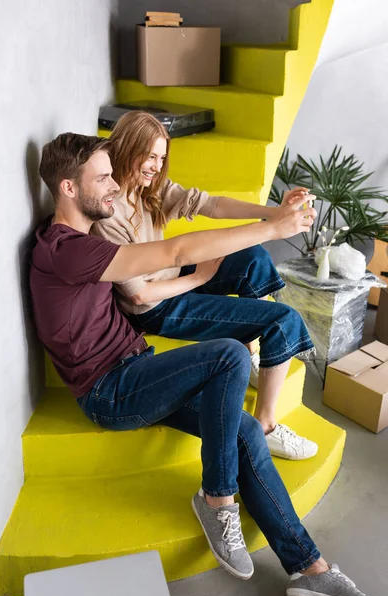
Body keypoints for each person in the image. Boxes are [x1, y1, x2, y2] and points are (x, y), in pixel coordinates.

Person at [29, 132, 370, 596]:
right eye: (104, 178)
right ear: (68, 188)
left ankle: (309, 568)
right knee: (229, 353)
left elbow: (177, 242)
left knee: (247, 431)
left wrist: (267, 219)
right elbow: (174, 253)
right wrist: (273, 228)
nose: (114, 187)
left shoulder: (75, 235)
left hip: (137, 368)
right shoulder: (67, 250)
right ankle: (216, 499)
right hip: (108, 392)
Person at [92, 111, 318, 461]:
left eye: (161, 157)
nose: (156, 166)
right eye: (149, 156)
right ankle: (266, 426)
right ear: (125, 148)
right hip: (157, 306)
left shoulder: (148, 189)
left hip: (173, 277)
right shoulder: (108, 212)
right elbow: (137, 294)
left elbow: (211, 204)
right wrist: (196, 279)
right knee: (281, 320)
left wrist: (274, 213)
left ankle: (253, 355)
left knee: (252, 256)